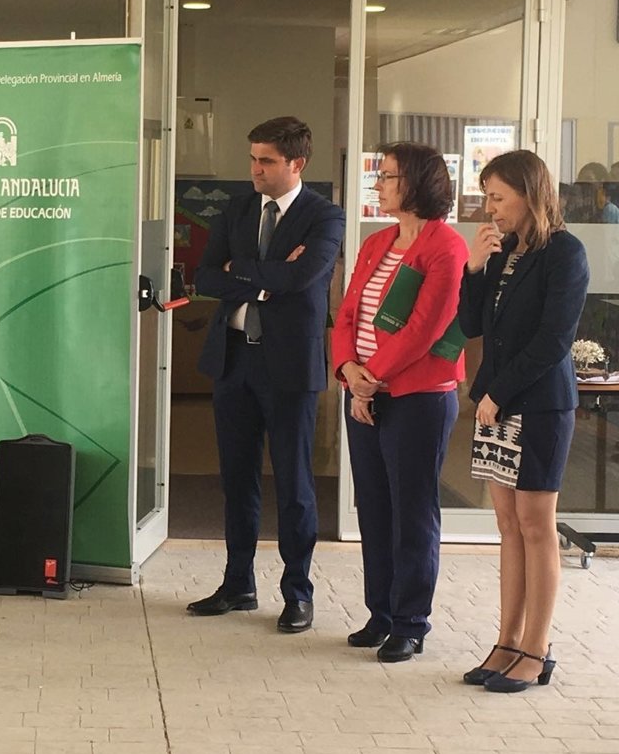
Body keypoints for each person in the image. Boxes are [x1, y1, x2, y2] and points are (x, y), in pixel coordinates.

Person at [188, 116, 345, 632]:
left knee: (295, 484)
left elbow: (302, 277)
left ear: (297, 163)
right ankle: (238, 585)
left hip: (288, 367)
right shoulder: (236, 208)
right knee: (237, 480)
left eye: (267, 161)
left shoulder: (325, 216)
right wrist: (263, 280)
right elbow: (205, 277)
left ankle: (298, 593)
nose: (255, 169)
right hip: (233, 359)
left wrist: (240, 270)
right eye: (253, 159)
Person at [458, 149, 588, 693]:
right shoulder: (504, 250)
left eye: (497, 197)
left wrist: (497, 393)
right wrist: (473, 268)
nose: (490, 209)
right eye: (487, 197)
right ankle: (506, 642)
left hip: (538, 405)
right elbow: (471, 325)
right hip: (497, 402)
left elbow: (553, 340)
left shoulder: (565, 253)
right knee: (508, 526)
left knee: (537, 526)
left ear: (529, 194)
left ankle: (537, 649)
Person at [332, 143, 467, 663]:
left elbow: (424, 330)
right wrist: (349, 371)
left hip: (417, 399)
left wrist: (371, 379)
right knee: (375, 507)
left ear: (416, 183)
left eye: (387, 176)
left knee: (412, 512)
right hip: (364, 390)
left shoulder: (445, 247)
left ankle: (411, 622)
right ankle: (381, 615)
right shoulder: (376, 242)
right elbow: (346, 314)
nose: (379, 185)